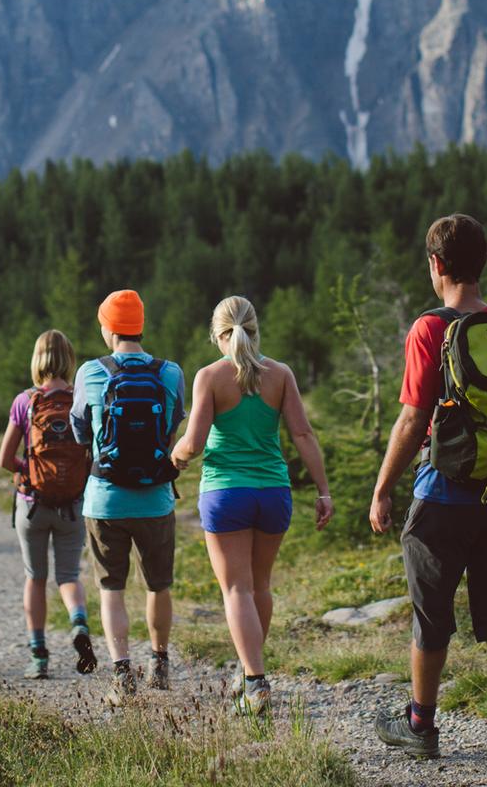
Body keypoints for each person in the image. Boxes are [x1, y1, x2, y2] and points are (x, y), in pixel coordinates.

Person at [369, 213, 487, 768]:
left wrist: (382, 490)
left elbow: (410, 421)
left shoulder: (430, 328)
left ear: (436, 265)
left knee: (432, 618)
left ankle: (421, 725)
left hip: (442, 498)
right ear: (482, 263)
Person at [170, 295, 333, 716]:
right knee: (260, 585)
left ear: (216, 334)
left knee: (236, 589)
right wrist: (323, 491)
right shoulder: (280, 374)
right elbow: (303, 436)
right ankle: (249, 675)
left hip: (226, 493)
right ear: (255, 329)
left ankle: (256, 683)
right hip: (273, 492)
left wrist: (175, 456)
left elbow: (195, 443)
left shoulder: (209, 376)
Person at [71, 288, 186, 705]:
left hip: (105, 499)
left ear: (109, 328)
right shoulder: (170, 372)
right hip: (155, 498)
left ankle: (122, 674)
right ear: (139, 326)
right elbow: (173, 425)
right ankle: (159, 664)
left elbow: (81, 430)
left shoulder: (90, 372)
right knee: (158, 585)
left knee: (111, 588)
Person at [0, 329, 97, 680]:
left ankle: (39, 656)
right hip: (72, 505)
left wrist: (29, 469)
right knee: (69, 575)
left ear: (37, 360)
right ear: (69, 360)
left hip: (32, 504)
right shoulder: (81, 399)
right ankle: (78, 624)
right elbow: (92, 454)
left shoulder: (25, 401)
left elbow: (5, 459)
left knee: (35, 578)